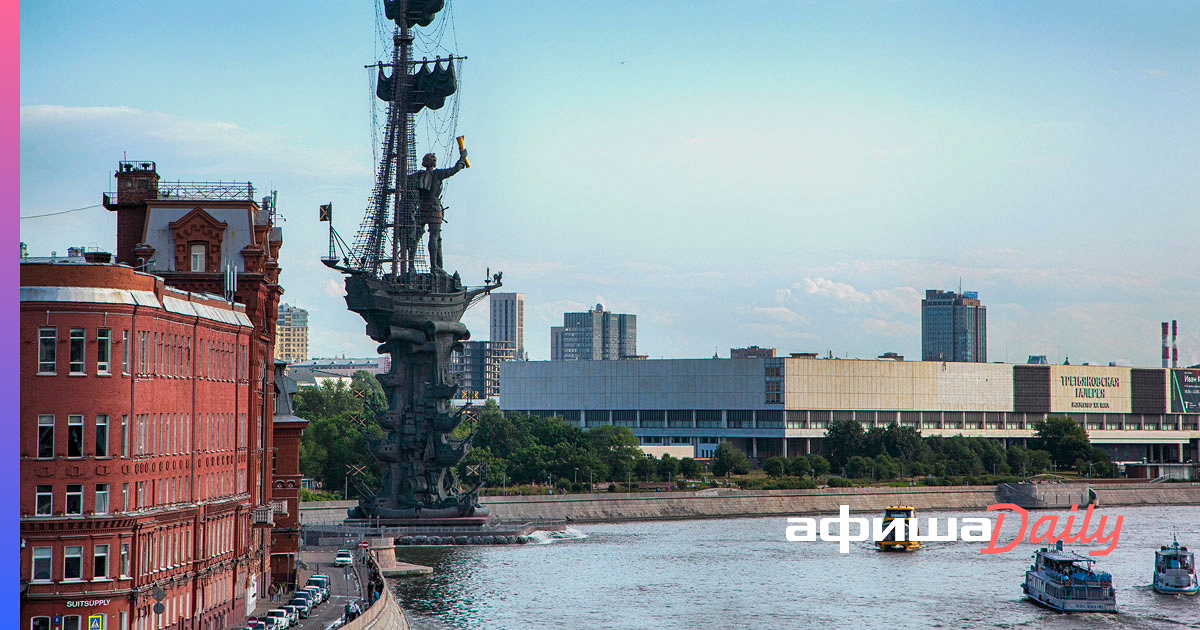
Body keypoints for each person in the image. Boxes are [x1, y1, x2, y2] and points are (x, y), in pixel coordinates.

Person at [406, 147, 468, 272]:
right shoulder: (438, 174)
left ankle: (411, 266)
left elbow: (405, 180)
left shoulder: (417, 176)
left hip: (422, 207)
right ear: (434, 163)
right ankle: (434, 267)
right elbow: (455, 169)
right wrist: (462, 157)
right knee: (434, 237)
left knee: (415, 237)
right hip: (434, 208)